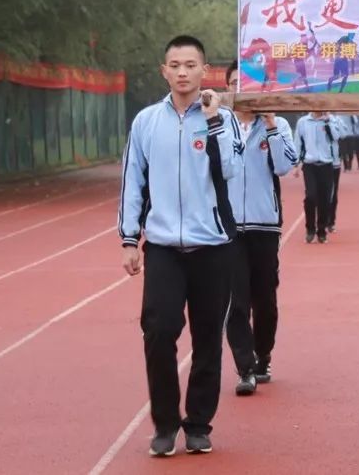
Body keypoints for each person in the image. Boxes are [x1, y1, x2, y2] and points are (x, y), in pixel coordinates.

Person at [118, 35, 244, 457]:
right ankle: (166, 422)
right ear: (164, 71)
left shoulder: (222, 120)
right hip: (165, 248)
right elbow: (132, 181)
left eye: (191, 64)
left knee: (208, 337)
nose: (183, 72)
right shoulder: (146, 122)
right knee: (158, 330)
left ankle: (198, 424)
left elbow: (231, 169)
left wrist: (212, 121)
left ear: (203, 69)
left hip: (213, 246)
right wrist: (129, 239)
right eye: (175, 64)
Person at [223, 62, 298, 397]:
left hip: (264, 225)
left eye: (247, 83)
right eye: (235, 83)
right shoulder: (218, 124)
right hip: (227, 228)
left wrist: (270, 125)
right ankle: (245, 366)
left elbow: (284, 166)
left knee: (264, 299)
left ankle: (263, 352)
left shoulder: (278, 123)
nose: (241, 88)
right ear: (228, 89)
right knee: (236, 300)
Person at [295, 111, 339, 244]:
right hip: (310, 164)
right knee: (311, 196)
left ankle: (321, 230)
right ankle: (310, 229)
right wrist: (296, 163)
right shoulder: (303, 122)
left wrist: (327, 122)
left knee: (325, 199)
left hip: (327, 164)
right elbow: (298, 143)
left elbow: (336, 137)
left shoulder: (331, 120)